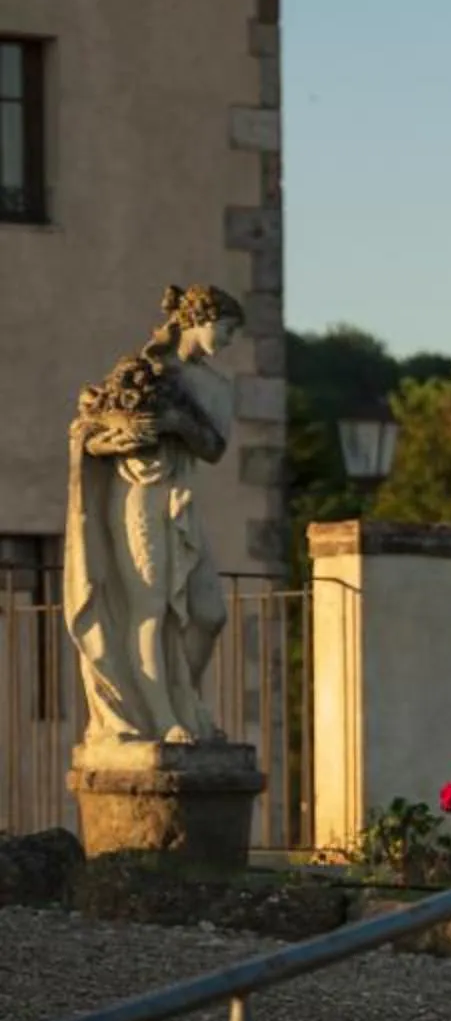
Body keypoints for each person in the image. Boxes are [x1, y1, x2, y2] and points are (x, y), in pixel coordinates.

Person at [64, 283, 245, 748]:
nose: (228, 341)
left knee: (208, 613)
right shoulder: (138, 372)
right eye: (225, 329)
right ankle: (161, 718)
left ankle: (183, 697)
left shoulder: (214, 386)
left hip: (179, 501)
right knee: (149, 610)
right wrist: (120, 438)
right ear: (198, 320)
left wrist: (177, 422)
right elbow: (90, 435)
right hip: (137, 497)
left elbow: (215, 449)